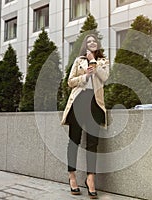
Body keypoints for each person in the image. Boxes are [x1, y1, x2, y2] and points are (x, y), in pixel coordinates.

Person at [60, 34, 109, 199]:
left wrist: (93, 62)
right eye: (89, 41)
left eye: (94, 40)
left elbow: (105, 78)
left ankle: (90, 179)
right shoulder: (78, 61)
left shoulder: (103, 61)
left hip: (95, 103)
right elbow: (70, 81)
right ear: (85, 45)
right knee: (74, 140)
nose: (92, 42)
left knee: (93, 143)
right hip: (79, 101)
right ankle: (72, 176)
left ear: (98, 44)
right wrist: (85, 77)